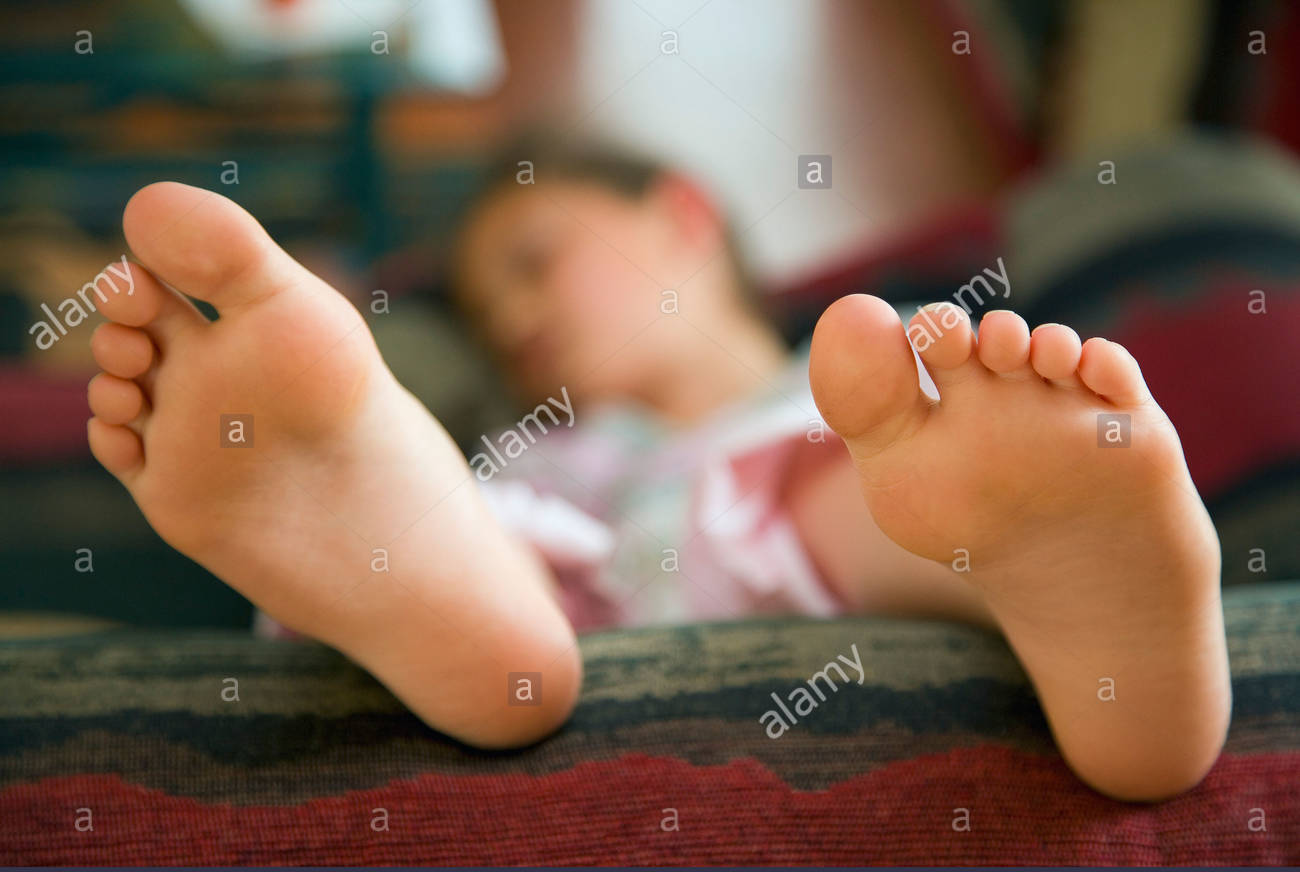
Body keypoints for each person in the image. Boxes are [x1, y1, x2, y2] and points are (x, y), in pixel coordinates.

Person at [83, 143, 1230, 802]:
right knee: (483, 528)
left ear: (681, 214)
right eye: (488, 314)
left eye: (536, 260)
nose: (517, 316)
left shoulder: (853, 399)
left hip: (829, 512)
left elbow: (853, 452)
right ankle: (424, 577)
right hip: (569, 575)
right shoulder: (554, 446)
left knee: (852, 478)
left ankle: (1076, 592)